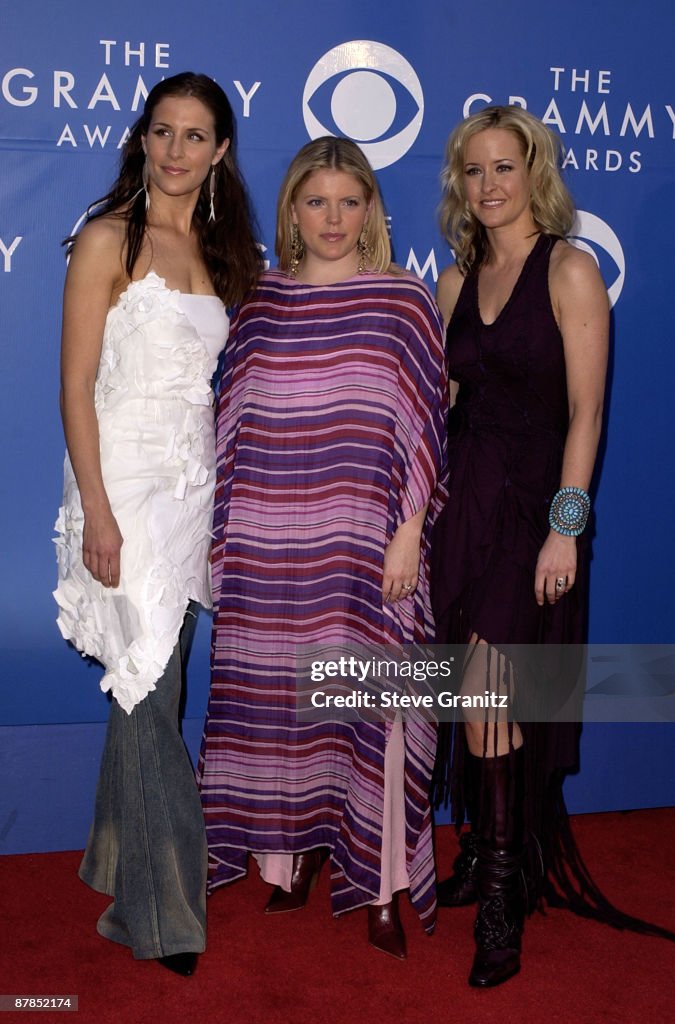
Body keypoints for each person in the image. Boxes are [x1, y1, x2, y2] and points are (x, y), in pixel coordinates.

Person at [197, 136, 448, 959]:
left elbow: (425, 431)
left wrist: (409, 530)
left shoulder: (405, 300)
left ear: (371, 210)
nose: (334, 219)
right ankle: (291, 857)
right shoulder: (260, 302)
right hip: (271, 542)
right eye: (317, 202)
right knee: (278, 707)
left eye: (350, 201)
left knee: (372, 707)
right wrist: (223, 537)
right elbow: (230, 427)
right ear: (292, 213)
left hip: (364, 544)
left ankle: (379, 885)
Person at [53, 72, 262, 975]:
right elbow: (74, 386)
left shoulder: (227, 253)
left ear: (219, 152)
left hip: (192, 490)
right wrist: (97, 512)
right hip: (120, 488)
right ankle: (168, 913)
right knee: (145, 689)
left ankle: (112, 861)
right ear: (143, 139)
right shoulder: (106, 239)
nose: (177, 152)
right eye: (163, 132)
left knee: (157, 688)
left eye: (196, 136)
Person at [430, 104, 632, 988]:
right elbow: (440, 404)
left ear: (533, 169)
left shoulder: (572, 271)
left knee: (491, 693)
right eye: (475, 172)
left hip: (533, 512)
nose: (490, 185)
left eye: (504, 167)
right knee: (470, 695)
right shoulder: (451, 279)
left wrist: (567, 525)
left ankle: (507, 892)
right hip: (464, 505)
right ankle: (481, 848)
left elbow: (588, 412)